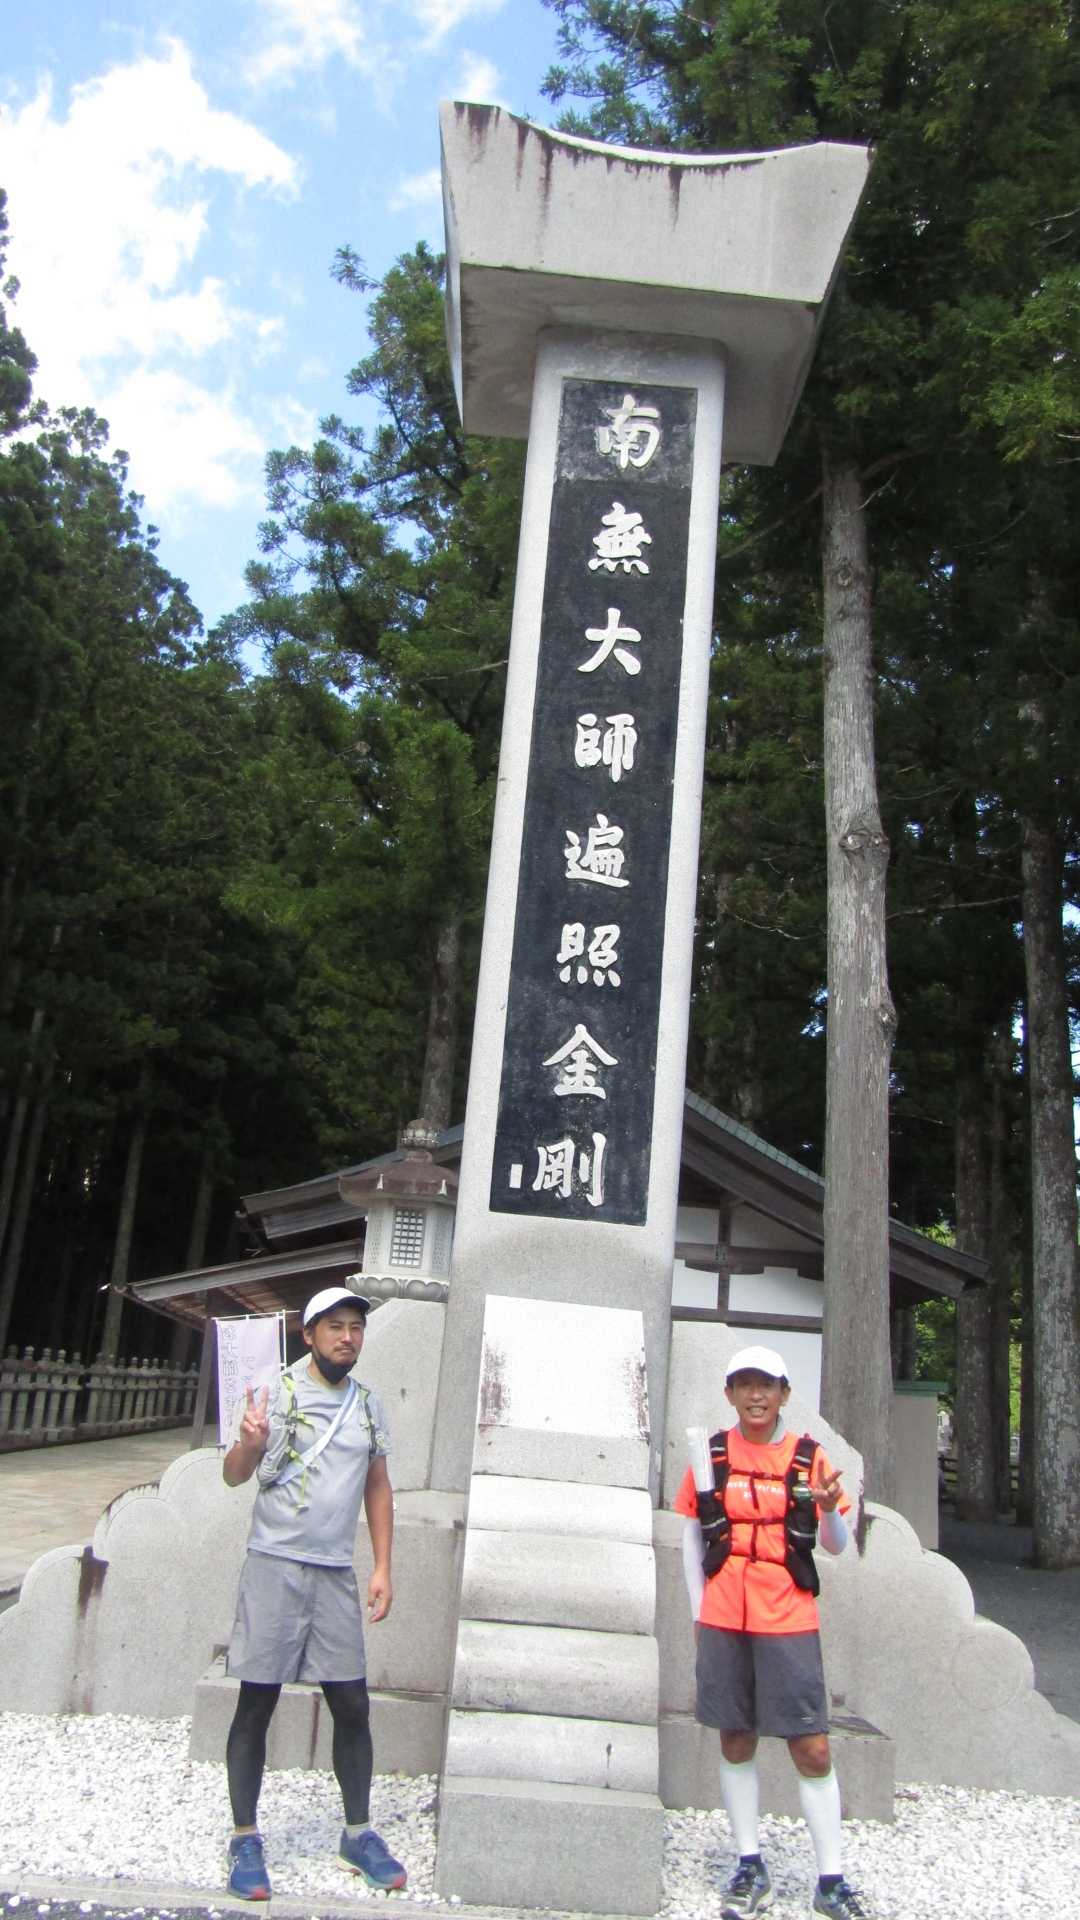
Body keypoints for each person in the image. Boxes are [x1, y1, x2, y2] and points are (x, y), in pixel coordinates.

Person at [220, 1285, 405, 1901]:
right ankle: (245, 1837)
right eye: (335, 1327)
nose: (348, 1338)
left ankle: (357, 1833)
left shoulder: (369, 1406)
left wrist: (382, 1566)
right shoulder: (273, 1393)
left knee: (351, 1704)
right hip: (273, 1565)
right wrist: (249, 1443)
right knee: (257, 1700)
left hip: (334, 1572)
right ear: (309, 1334)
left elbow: (377, 1486)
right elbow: (234, 1475)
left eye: (356, 1327)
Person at [674, 1345, 870, 1920]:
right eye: (745, 1384)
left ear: (785, 1394)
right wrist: (698, 1615)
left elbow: (836, 1544)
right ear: (730, 1393)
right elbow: (692, 1539)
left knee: (811, 1745)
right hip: (724, 1615)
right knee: (735, 1738)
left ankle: (830, 1879)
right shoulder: (710, 1455)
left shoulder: (809, 1458)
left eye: (767, 1385)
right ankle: (749, 1863)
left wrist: (829, 1509)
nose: (756, 1395)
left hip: (787, 1616)